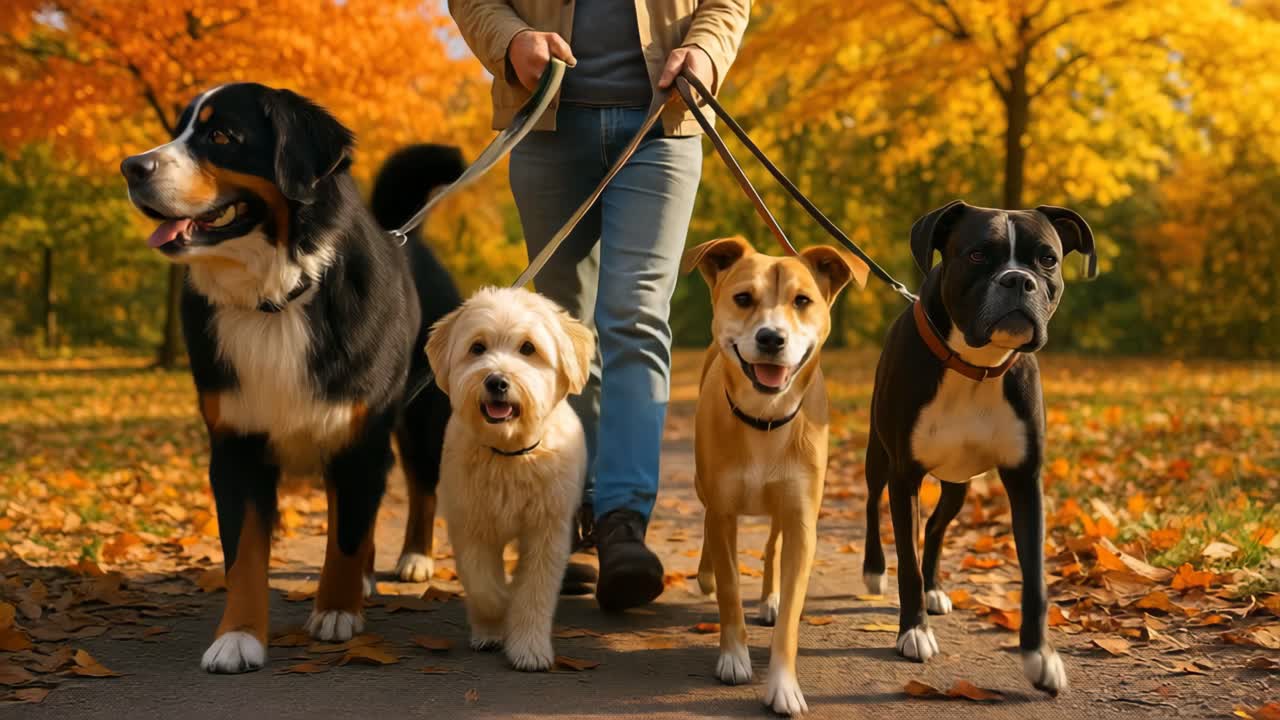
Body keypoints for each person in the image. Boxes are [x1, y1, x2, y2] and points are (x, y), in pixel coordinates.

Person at [448, 0, 750, 612]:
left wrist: (707, 52)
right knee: (558, 326)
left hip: (661, 123)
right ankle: (568, 516)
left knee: (635, 316)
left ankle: (621, 523)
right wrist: (511, 41)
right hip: (547, 123)